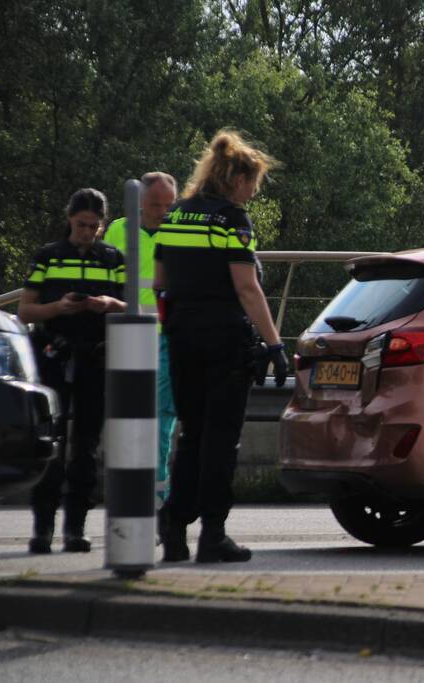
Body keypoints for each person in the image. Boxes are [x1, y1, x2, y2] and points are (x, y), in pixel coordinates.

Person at [153, 129, 289, 564]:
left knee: (192, 434)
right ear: (236, 179)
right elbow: (247, 288)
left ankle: (175, 525)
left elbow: (159, 282)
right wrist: (274, 344)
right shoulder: (232, 220)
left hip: (181, 335)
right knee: (221, 440)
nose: (253, 192)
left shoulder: (175, 216)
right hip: (225, 338)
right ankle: (213, 534)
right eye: (253, 183)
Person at [18, 188, 127, 553]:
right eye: (82, 225)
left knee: (86, 446)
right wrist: (59, 308)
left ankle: (75, 528)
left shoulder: (112, 258)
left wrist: (109, 303)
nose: (87, 232)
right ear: (70, 219)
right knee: (51, 443)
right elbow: (25, 311)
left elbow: (131, 306)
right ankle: (42, 528)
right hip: (54, 355)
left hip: (95, 357)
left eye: (94, 226)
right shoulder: (48, 256)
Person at [104, 172, 178, 503]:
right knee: (127, 416)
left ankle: (157, 493)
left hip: (166, 335)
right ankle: (133, 489)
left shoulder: (178, 232)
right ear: (140, 202)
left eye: (168, 205)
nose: (162, 211)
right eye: (155, 204)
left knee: (161, 416)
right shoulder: (118, 230)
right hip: (128, 336)